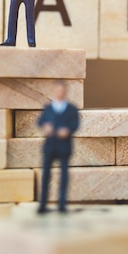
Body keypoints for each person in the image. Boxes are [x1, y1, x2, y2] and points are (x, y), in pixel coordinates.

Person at [37, 81, 80, 214]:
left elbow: (75, 124)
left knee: (64, 177)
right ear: (54, 91)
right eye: (57, 90)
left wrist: (67, 130)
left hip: (64, 146)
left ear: (65, 92)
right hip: (50, 146)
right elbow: (40, 121)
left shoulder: (72, 109)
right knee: (45, 176)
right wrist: (45, 127)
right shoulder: (48, 108)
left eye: (62, 91)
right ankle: (43, 204)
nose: (60, 93)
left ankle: (62, 205)